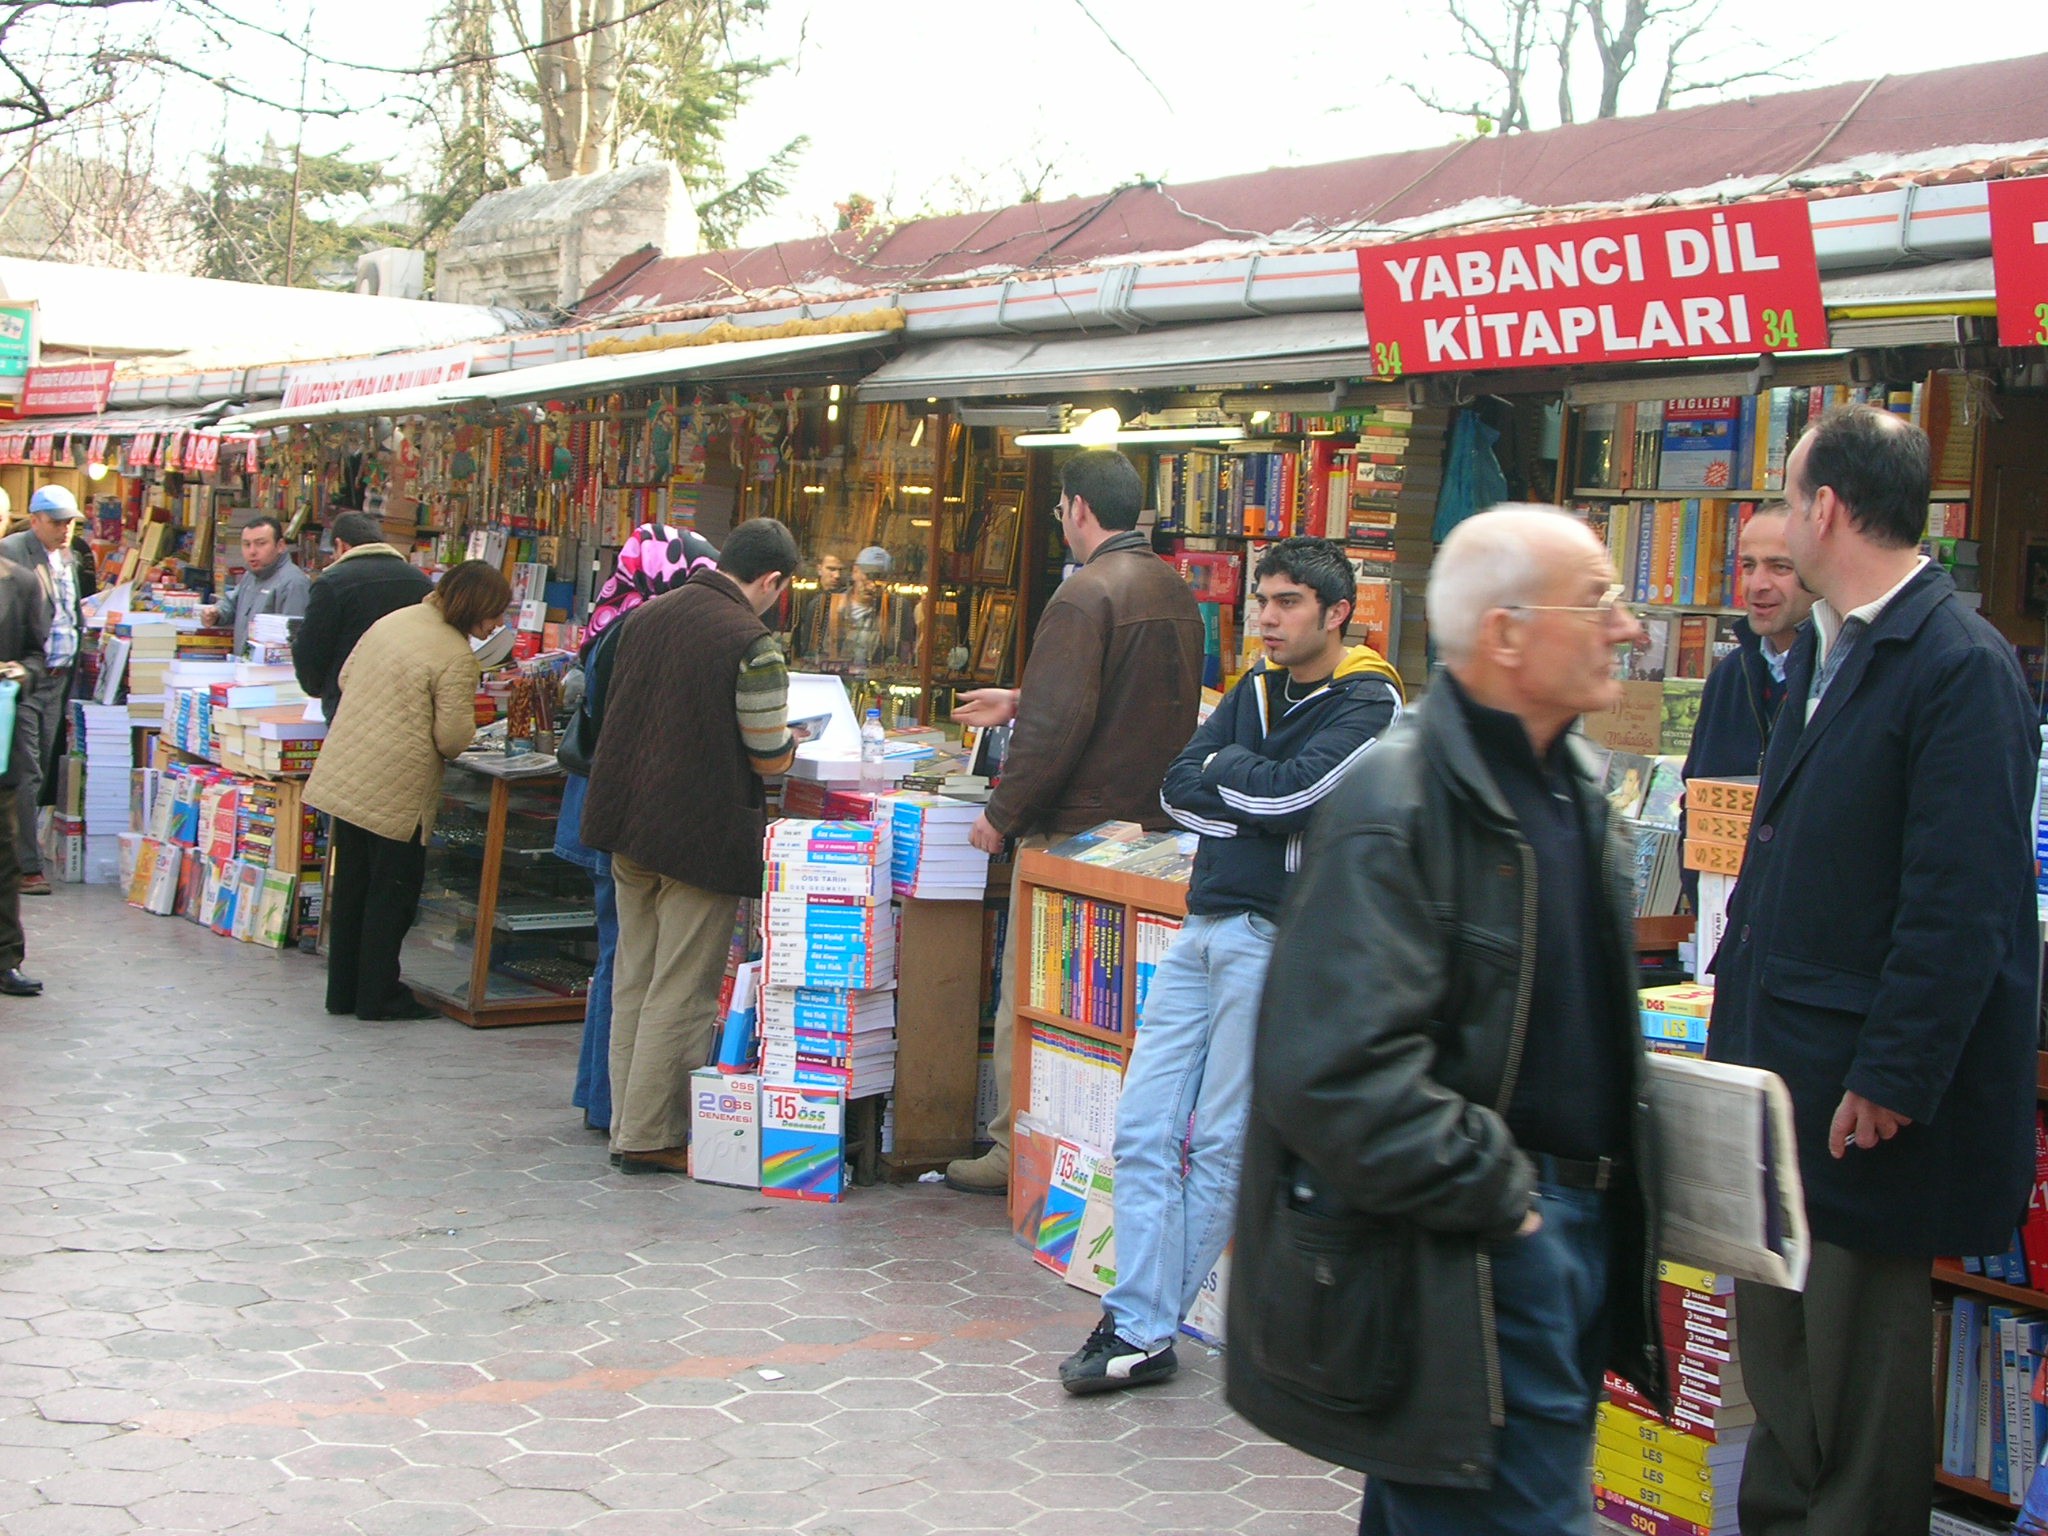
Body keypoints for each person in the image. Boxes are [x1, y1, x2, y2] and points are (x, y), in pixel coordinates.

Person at [1226, 506, 1668, 1535]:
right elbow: (1329, 1069)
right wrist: (1506, 1204)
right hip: (1478, 1252)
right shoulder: (1400, 801)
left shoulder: (1573, 794)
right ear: (1507, 634)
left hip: (1553, 1242)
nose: (1626, 627)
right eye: (1597, 601)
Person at [1707, 406, 2039, 1536]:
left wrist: (1892, 1074)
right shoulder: (1829, 651)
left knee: (1852, 1384)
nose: (1777, 526)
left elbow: (1960, 904)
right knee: (1785, 1371)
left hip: (1857, 1100)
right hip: (1786, 1075)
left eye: (1787, 499)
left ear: (1826, 509)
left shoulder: (1956, 665)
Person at [1059, 537, 1404, 1394]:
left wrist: (1234, 777)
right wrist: (1245, 785)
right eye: (1263, 601)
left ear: (1336, 613)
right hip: (1202, 924)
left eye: (1287, 603)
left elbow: (1296, 796)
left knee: (1218, 1139)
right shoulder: (1252, 686)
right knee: (1141, 1128)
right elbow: (1174, 787)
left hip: (1275, 938)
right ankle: (1141, 1322)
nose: (1267, 618)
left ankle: (1139, 1327)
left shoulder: (1371, 700)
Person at [944, 449, 1204, 1196]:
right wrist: (1022, 697)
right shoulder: (1173, 589)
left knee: (1036, 999)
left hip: (1073, 835)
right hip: (1149, 835)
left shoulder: (1085, 594)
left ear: (1079, 508)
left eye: (1060, 508)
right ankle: (1093, 1150)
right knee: (1110, 1011)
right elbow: (1123, 696)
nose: (1061, 519)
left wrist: (1001, 815)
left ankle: (1014, 1148)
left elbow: (1059, 726)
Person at [579, 518, 800, 1175]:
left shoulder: (646, 616)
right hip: (697, 831)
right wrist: (792, 744)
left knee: (635, 979)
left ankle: (626, 1120)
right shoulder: (751, 641)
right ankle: (650, 1135)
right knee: (682, 987)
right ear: (771, 580)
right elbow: (766, 755)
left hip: (627, 820)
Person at [554, 524, 720, 1135]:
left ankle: (605, 1100)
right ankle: (614, 1106)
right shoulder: (642, 629)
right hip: (622, 810)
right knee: (627, 961)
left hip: (601, 807)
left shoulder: (610, 618)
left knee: (621, 959)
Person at [304, 561, 511, 1022]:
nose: (498, 624)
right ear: (476, 606)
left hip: (348, 771)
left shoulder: (392, 621)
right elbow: (453, 739)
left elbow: (344, 678)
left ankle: (344, 992)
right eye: (495, 613)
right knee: (392, 894)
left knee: (354, 886)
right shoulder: (455, 655)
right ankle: (379, 996)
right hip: (397, 786)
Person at [0, 486, 96, 896]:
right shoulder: (13, 554)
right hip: (21, 680)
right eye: (57, 522)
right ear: (34, 519)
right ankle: (26, 865)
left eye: (70, 522)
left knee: (38, 766)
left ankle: (22, 853)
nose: (65, 529)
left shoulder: (69, 555)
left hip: (56, 675)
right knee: (26, 770)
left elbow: (67, 609)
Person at [292, 511, 433, 725]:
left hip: (348, 705)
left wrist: (316, 688)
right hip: (406, 705)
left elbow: (312, 648)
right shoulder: (420, 581)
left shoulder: (331, 583)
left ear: (341, 545)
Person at [0, 543, 48, 993]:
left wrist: (20, 672)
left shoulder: (22, 582)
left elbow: (37, 653)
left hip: (1, 733)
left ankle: (5, 958)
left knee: (3, 855)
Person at [201, 516, 311, 657]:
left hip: (271, 673)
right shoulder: (251, 575)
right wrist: (216, 613)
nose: (252, 551)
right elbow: (231, 603)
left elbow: (293, 640)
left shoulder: (293, 583)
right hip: (245, 669)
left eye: (260, 544)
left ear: (280, 546)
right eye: (247, 544)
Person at [812, 545, 917, 667]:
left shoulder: (897, 609)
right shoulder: (827, 604)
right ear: (855, 572)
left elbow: (904, 655)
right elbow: (810, 651)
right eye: (868, 576)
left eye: (879, 579)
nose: (872, 585)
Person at [789, 552, 845, 661]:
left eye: (840, 570)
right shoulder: (806, 598)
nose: (837, 576)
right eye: (831, 569)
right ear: (819, 569)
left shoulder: (846, 601)